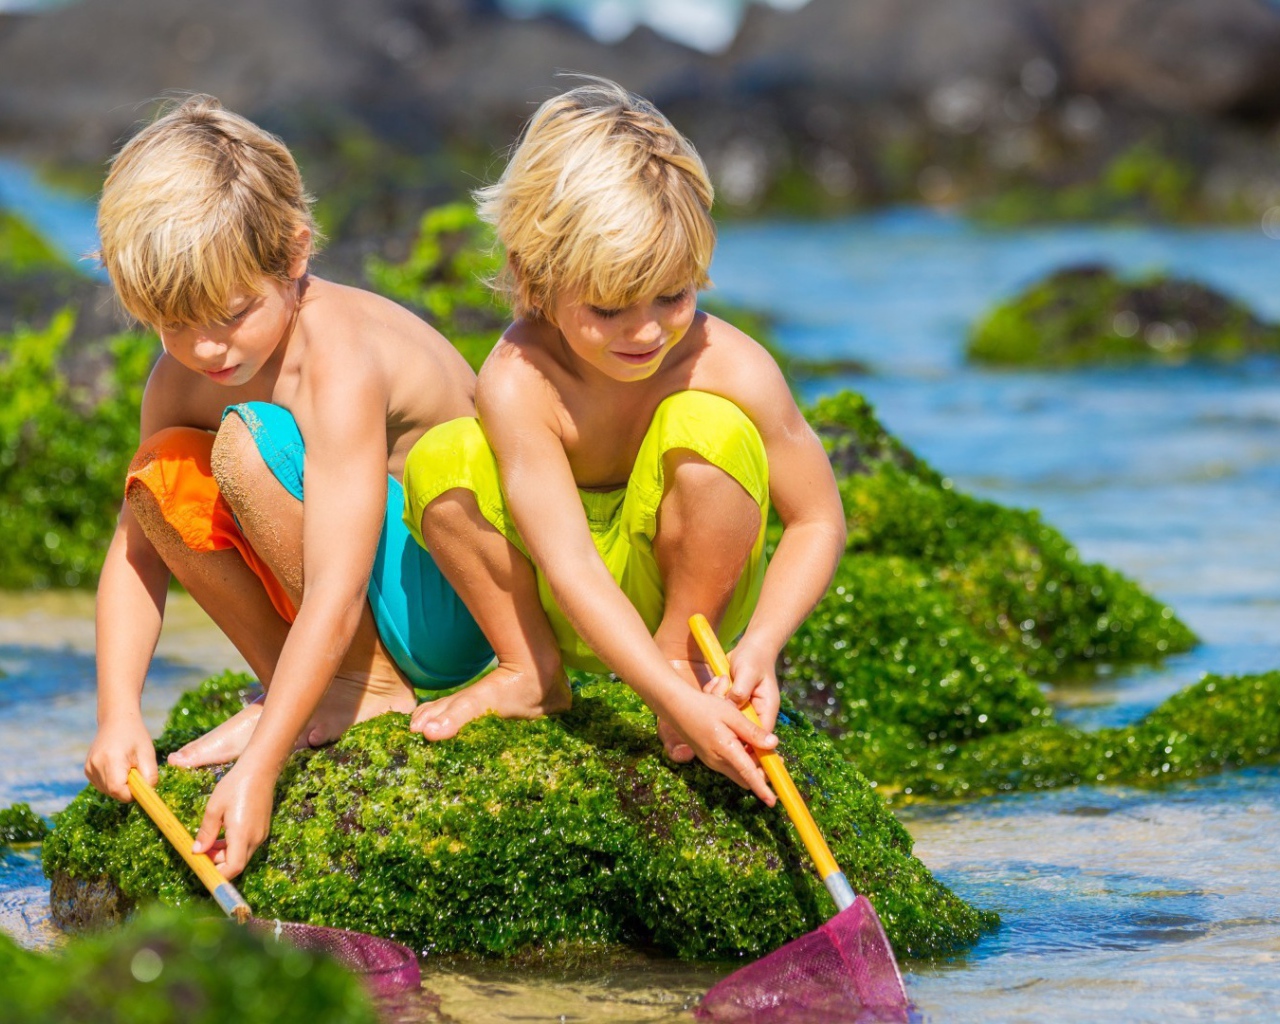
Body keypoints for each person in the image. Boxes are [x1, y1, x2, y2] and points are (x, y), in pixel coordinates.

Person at [83, 95, 564, 879]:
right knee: (165, 470)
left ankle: (359, 688)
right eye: (174, 323)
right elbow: (136, 556)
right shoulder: (182, 376)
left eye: (233, 312)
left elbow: (338, 589)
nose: (206, 347)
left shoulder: (337, 356)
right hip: (356, 593)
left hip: (455, 600)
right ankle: (307, 684)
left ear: (295, 252)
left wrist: (262, 768)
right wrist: (117, 713)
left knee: (245, 447)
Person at [401, 78, 847, 805]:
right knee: (441, 458)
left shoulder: (728, 364)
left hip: (694, 603)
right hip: (565, 597)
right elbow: (571, 565)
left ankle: (678, 659)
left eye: (672, 296)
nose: (646, 332)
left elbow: (819, 518)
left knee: (710, 427)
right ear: (534, 282)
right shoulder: (521, 380)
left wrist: (762, 643)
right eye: (608, 309)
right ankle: (530, 671)